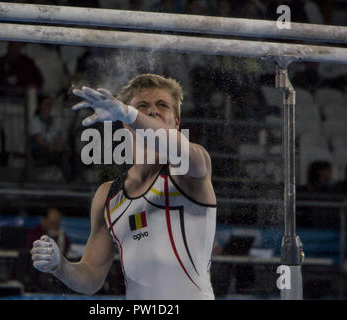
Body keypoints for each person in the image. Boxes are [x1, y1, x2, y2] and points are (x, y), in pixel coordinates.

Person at [31, 74, 217, 299]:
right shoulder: (108, 195)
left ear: (176, 122)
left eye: (162, 105)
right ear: (125, 125)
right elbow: (91, 278)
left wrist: (130, 112)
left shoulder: (189, 169)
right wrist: (59, 266)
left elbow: (181, 150)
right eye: (143, 105)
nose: (153, 111)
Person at [29, 94, 73, 182]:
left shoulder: (54, 122)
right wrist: (54, 147)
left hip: (54, 149)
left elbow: (58, 138)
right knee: (60, 157)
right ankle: (69, 180)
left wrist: (61, 147)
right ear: (40, 106)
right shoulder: (35, 122)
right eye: (46, 104)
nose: (48, 107)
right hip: (41, 150)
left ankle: (74, 179)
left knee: (71, 155)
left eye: (50, 104)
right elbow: (40, 141)